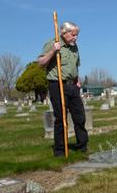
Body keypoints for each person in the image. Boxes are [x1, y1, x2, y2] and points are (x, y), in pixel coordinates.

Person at [38, 21, 88, 157]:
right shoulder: (52, 43)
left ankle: (82, 147)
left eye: (77, 35)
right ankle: (60, 150)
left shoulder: (74, 47)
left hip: (72, 85)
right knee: (61, 118)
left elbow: (75, 65)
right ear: (64, 33)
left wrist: (77, 80)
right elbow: (41, 63)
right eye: (73, 35)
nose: (75, 38)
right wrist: (53, 50)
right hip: (57, 84)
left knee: (80, 117)